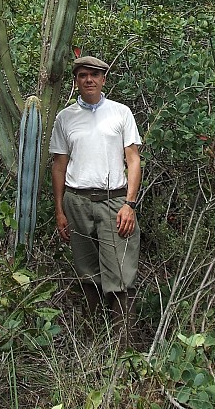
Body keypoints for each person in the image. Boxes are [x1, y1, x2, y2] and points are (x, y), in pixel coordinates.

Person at [49, 55, 142, 335]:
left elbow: (133, 160)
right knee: (86, 272)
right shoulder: (65, 118)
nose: (89, 80)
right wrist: (59, 210)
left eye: (94, 75)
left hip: (114, 202)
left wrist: (129, 204)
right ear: (76, 81)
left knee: (120, 273)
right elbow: (59, 165)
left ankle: (122, 346)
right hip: (76, 202)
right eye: (83, 75)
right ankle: (93, 339)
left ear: (103, 79)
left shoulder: (120, 113)